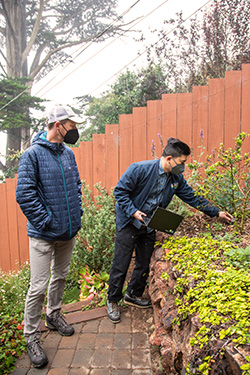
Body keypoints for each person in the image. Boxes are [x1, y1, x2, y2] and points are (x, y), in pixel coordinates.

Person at [107, 137, 233, 323]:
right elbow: (120, 192)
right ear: (168, 159)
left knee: (143, 263)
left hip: (150, 223)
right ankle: (112, 300)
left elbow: (192, 197)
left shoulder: (176, 178)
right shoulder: (139, 169)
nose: (183, 167)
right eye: (182, 162)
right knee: (121, 263)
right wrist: (133, 212)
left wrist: (216, 213)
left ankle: (132, 295)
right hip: (130, 222)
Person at [16, 105, 84, 368]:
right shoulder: (31, 156)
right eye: (72, 125)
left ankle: (53, 315)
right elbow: (24, 195)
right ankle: (31, 336)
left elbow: (76, 185)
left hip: (67, 232)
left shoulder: (68, 153)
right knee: (38, 286)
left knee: (61, 277)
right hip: (43, 235)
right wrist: (46, 222)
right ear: (58, 126)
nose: (75, 131)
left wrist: (75, 216)